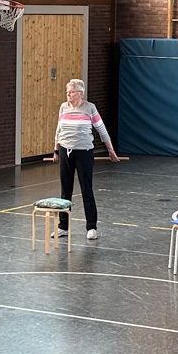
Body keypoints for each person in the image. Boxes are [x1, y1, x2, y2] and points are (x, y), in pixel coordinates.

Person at [52, 78, 120, 240]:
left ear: (80, 93)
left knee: (86, 189)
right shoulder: (63, 107)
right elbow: (59, 130)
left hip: (84, 152)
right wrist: (56, 150)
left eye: (71, 92)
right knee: (65, 191)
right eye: (67, 92)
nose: (68, 95)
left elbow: (102, 130)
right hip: (65, 151)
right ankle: (63, 226)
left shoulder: (90, 108)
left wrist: (110, 150)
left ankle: (91, 227)